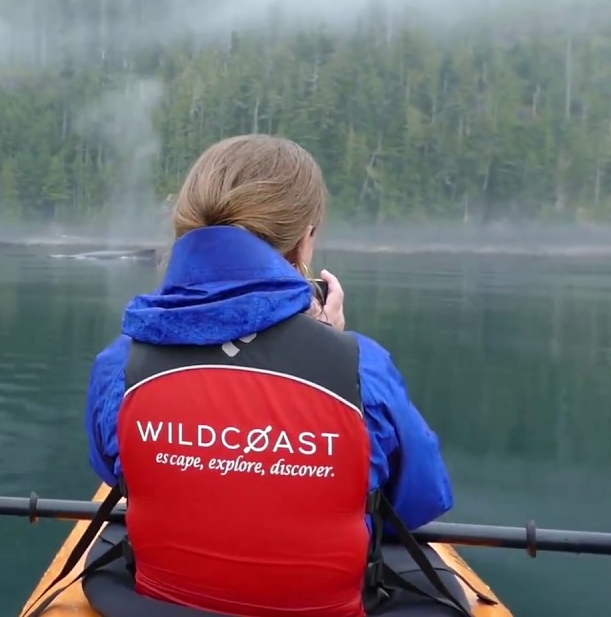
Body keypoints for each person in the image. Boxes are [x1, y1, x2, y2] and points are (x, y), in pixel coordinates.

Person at [76, 135, 474, 617]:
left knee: (112, 539)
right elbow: (418, 501)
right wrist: (326, 344)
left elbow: (114, 469)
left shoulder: (122, 363)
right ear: (305, 238)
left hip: (164, 605)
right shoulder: (359, 367)